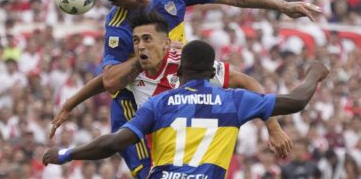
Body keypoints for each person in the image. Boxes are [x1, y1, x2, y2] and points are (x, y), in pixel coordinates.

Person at [51, 0, 322, 177]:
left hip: (173, 75)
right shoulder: (119, 27)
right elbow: (110, 81)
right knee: (146, 168)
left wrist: (283, 6)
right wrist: (141, 59)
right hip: (133, 102)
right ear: (119, 5)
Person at [42, 40, 330, 179]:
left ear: (179, 71)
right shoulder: (234, 100)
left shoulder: (159, 103)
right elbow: (297, 101)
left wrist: (68, 153)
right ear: (212, 72)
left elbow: (115, 142)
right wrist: (314, 74)